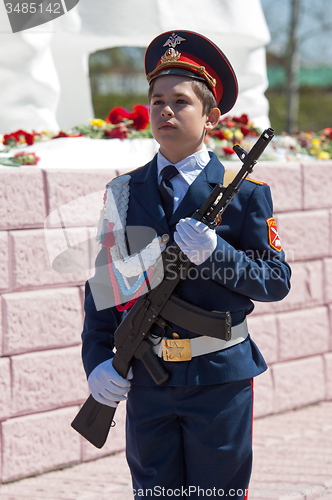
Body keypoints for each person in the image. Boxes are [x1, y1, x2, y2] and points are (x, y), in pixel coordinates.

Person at [81, 30, 291, 500]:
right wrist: (97, 360)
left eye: (180, 101)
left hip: (219, 378)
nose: (165, 111)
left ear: (212, 116)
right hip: (147, 378)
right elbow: (103, 285)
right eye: (157, 100)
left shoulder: (247, 193)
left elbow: (275, 281)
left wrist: (217, 255)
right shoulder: (124, 192)